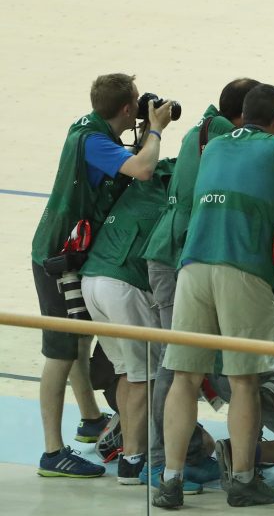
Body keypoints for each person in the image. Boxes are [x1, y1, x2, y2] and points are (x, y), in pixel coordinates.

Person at [153, 83, 274, 509]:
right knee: (243, 382)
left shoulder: (215, 143)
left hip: (193, 266)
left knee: (183, 379)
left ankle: (170, 481)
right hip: (243, 268)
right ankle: (242, 481)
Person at [32, 73, 172, 478]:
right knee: (59, 352)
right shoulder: (94, 142)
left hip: (68, 252)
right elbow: (143, 169)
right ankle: (51, 452)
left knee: (78, 341)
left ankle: (91, 419)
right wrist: (157, 131)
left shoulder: (89, 127)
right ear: (127, 108)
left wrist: (141, 130)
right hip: (57, 256)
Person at [141, 77, 259, 489]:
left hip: (173, 251)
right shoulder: (228, 135)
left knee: (179, 366)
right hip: (178, 254)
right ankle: (158, 461)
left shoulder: (202, 128)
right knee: (176, 367)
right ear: (245, 116)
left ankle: (180, 454)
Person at [79, 158, 175, 484]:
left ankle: (127, 445)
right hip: (122, 286)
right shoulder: (175, 195)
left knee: (126, 372)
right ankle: (133, 460)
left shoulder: (144, 184)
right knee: (144, 377)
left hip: (92, 280)